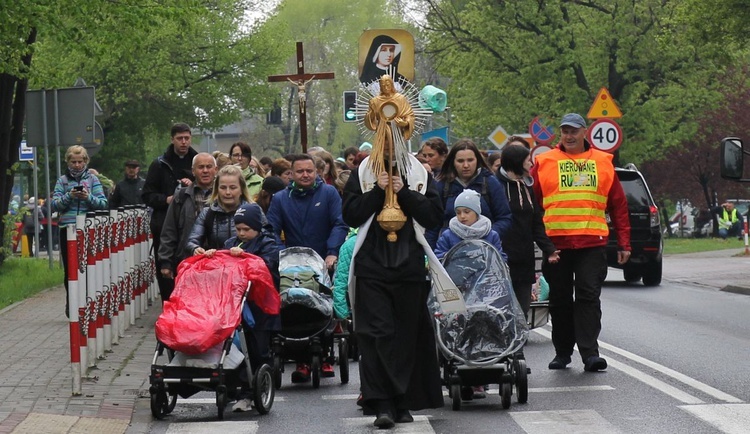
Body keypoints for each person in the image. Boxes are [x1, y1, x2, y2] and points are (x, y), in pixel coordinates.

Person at [342, 74, 444, 429]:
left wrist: (406, 192)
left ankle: (403, 401)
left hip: (409, 267)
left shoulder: (420, 172)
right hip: (372, 265)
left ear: (405, 131)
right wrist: (377, 191)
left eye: (397, 131)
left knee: (406, 335)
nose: (391, 139)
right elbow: (350, 214)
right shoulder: (364, 171)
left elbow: (433, 215)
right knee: (376, 335)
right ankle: (381, 401)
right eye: (384, 132)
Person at [531, 113, 631, 372]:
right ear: (560, 134)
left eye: (574, 131)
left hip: (592, 242)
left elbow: (618, 205)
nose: (569, 135)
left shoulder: (602, 162)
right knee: (560, 300)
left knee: (588, 297)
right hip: (557, 245)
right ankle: (562, 353)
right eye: (565, 131)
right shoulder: (545, 162)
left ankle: (590, 353)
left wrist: (624, 243)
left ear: (584, 132)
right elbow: (533, 205)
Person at [266, 153, 348, 382]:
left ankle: (324, 356)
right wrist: (279, 254)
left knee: (323, 305)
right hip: (292, 263)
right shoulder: (281, 198)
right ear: (291, 174)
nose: (305, 175)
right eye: (300, 171)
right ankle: (300, 359)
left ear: (316, 172)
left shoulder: (329, 193)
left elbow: (339, 223)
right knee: (295, 305)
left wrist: (332, 252)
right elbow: (270, 229)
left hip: (322, 261)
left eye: (309, 171)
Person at [496, 144, 559, 317]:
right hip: (501, 256)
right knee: (502, 310)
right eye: (527, 160)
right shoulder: (496, 186)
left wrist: (549, 249)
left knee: (522, 310)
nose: (531, 163)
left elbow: (536, 222)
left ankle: (518, 343)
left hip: (524, 258)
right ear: (517, 162)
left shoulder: (527, 187)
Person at [142, 122, 198, 303]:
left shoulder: (198, 162)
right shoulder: (159, 164)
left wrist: (193, 186)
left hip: (193, 221)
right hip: (164, 222)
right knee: (166, 265)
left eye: (187, 138)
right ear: (172, 139)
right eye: (180, 138)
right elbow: (147, 195)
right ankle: (169, 303)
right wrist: (166, 200)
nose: (183, 142)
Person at [51, 145, 108, 317]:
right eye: (73, 162)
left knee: (88, 267)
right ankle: (72, 303)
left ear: (85, 161)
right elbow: (54, 204)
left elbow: (103, 203)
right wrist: (70, 196)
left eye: (80, 161)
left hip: (88, 229)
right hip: (67, 229)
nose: (76, 165)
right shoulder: (63, 181)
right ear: (68, 161)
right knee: (70, 268)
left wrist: (87, 197)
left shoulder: (92, 180)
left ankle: (87, 302)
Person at [430, 139, 512, 249]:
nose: (466, 165)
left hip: (485, 250)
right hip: (450, 251)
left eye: (470, 160)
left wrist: (487, 235)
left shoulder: (490, 183)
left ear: (477, 160)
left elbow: (505, 218)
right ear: (453, 162)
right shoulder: (442, 185)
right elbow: (433, 224)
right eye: (460, 161)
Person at [158, 153, 217, 289]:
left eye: (209, 167)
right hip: (187, 260)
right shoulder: (181, 196)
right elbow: (169, 229)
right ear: (193, 171)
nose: (205, 171)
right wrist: (166, 261)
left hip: (216, 260)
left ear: (216, 169)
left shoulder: (224, 195)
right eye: (201, 167)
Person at [186, 165, 251, 256]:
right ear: (217, 189)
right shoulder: (207, 213)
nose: (227, 192)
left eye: (233, 188)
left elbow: (267, 241)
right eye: (223, 188)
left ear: (241, 189)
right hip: (216, 266)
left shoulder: (253, 211)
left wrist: (246, 250)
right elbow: (192, 240)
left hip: (247, 266)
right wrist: (196, 249)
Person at [434, 189, 505, 259]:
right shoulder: (448, 235)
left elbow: (500, 259)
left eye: (467, 212)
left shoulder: (491, 235)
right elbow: (438, 257)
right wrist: (453, 256)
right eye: (458, 213)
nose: (462, 216)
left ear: (476, 212)